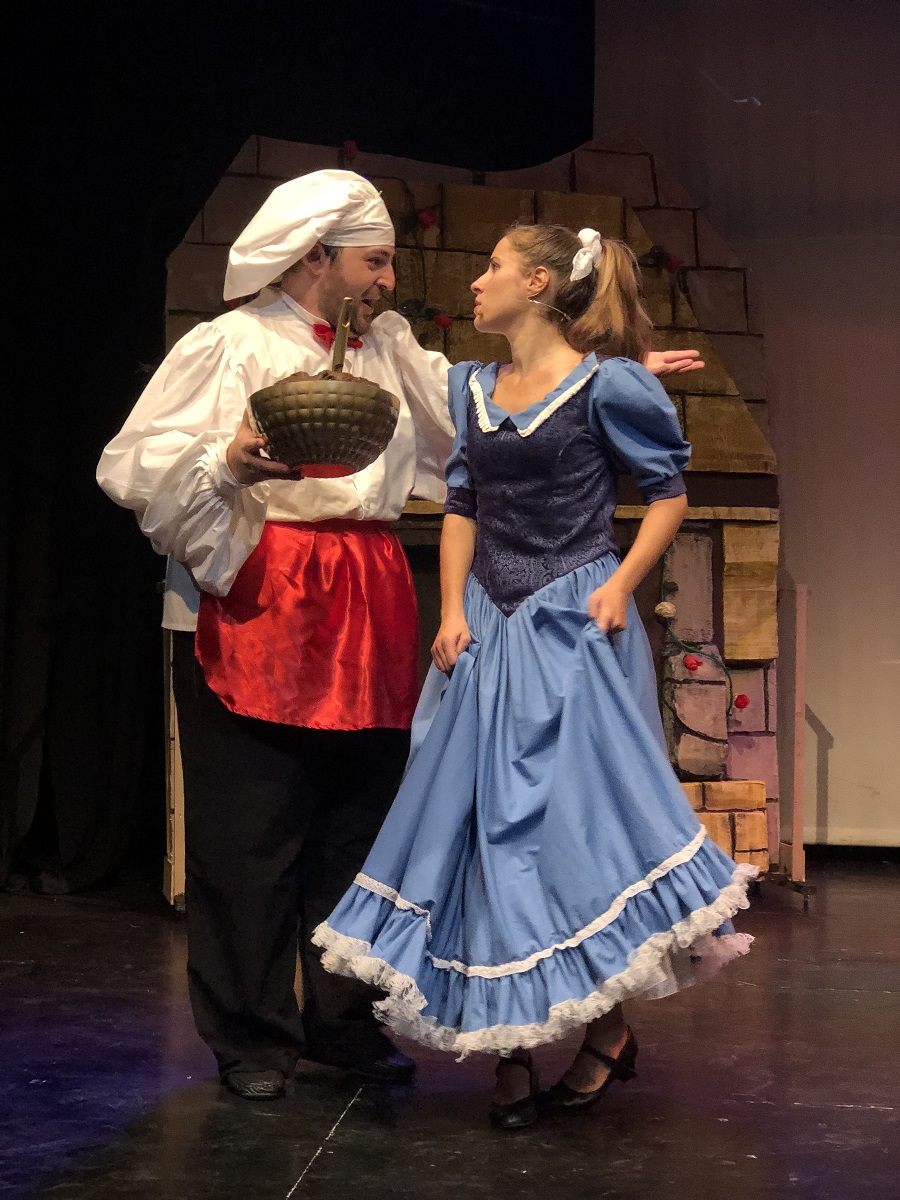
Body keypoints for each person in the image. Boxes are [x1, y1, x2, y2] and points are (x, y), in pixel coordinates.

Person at [97, 166, 705, 1103]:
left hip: (364, 599)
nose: (389, 279)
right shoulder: (230, 344)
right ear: (317, 257)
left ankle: (345, 1025)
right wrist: (229, 461)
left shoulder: (387, 345)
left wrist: (602, 383)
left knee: (364, 824)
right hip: (257, 591)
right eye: (375, 262)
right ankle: (254, 1036)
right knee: (251, 833)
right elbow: (131, 467)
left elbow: (482, 415)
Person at [313, 224, 757, 1130]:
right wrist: (451, 608)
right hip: (488, 624)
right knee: (482, 830)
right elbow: (462, 504)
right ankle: (509, 1047)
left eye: (493, 268)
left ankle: (605, 1031)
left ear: (541, 284)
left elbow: (668, 495)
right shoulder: (475, 387)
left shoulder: (609, 385)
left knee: (566, 834)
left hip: (572, 621)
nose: (477, 283)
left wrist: (620, 587)